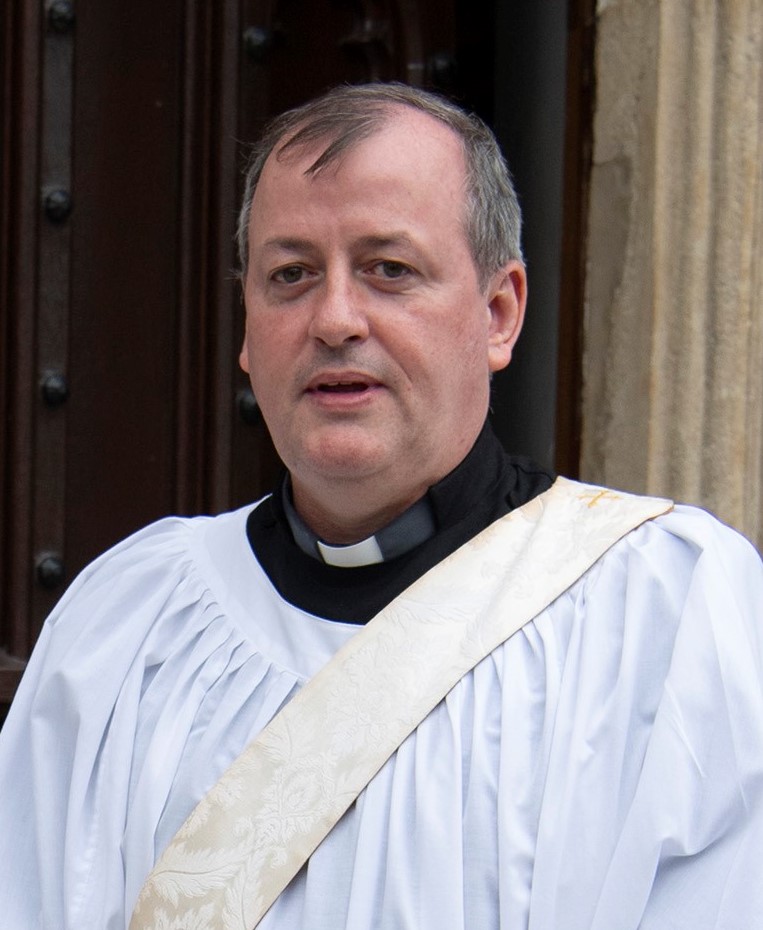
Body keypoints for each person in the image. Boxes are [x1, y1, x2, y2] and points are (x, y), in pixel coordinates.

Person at [1, 83, 761, 930]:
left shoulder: (665, 610)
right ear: (247, 330)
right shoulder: (129, 623)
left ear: (498, 313)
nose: (334, 319)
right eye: (290, 275)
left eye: (388, 270)